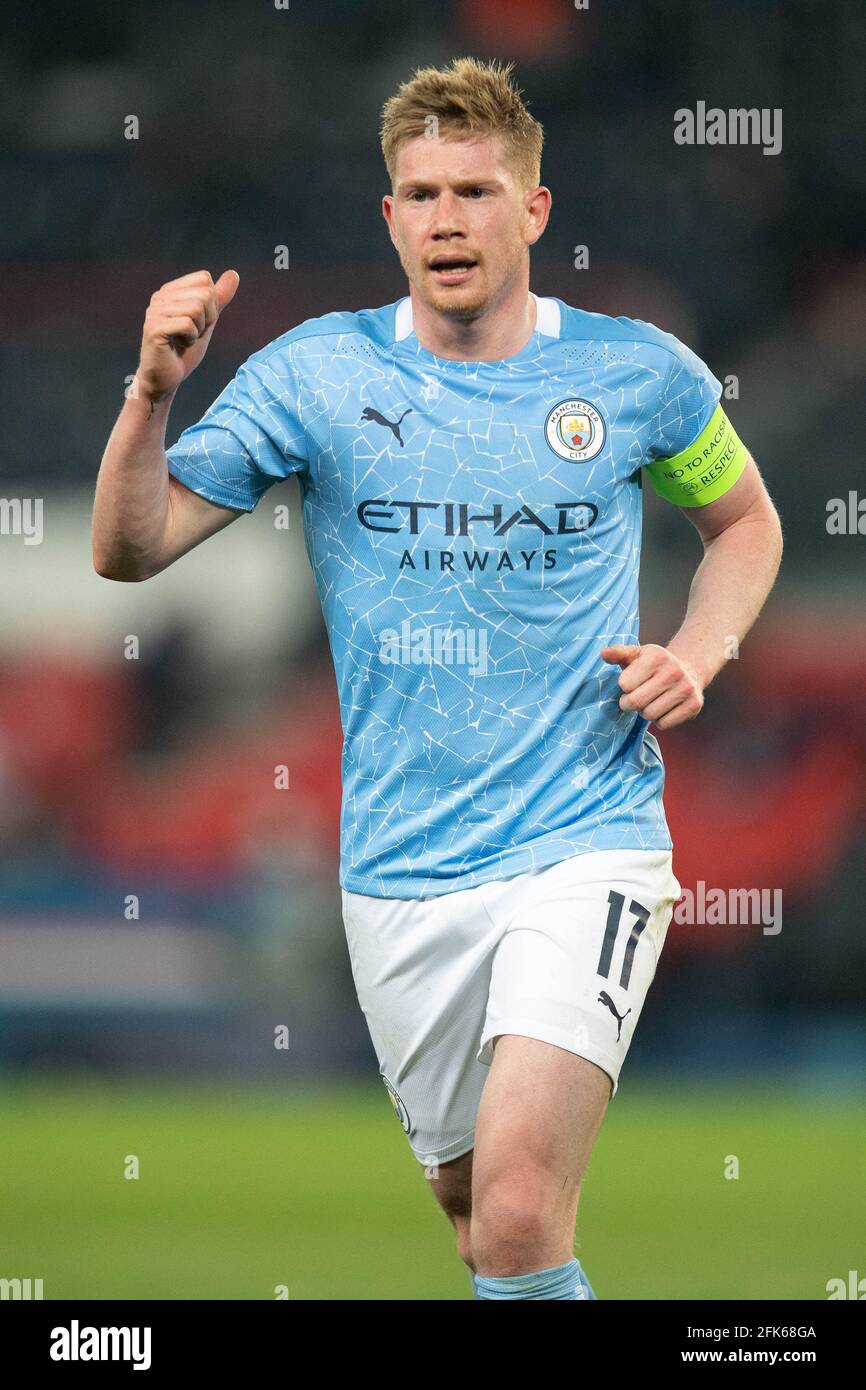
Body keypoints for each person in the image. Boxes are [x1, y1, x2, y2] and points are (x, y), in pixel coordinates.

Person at [92, 57, 783, 1301]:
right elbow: (128, 550)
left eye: (475, 190)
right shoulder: (317, 376)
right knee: (478, 1230)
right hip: (399, 872)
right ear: (389, 217)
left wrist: (698, 650)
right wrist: (150, 394)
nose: (446, 218)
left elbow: (744, 524)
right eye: (420, 193)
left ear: (532, 211)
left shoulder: (637, 376)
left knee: (521, 1213)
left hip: (585, 839)